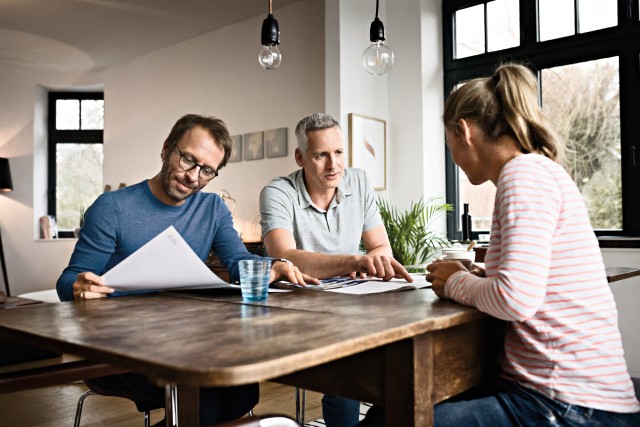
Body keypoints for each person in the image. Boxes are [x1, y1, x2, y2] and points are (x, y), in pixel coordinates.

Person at [360, 63, 640, 426]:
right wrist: (479, 274)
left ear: (463, 131)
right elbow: (526, 278)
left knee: (390, 421)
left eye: (449, 144)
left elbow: (516, 298)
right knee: (390, 406)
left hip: (567, 403)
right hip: (560, 391)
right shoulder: (537, 171)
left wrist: (455, 282)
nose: (454, 159)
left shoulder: (522, 176)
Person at [56, 113, 318, 427]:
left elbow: (237, 262)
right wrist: (78, 287)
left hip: (183, 342)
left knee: (243, 393)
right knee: (201, 402)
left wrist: (275, 266)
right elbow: (68, 279)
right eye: (188, 160)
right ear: (167, 148)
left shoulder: (212, 208)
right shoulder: (112, 207)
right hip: (117, 347)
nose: (193, 176)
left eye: (207, 170)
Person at [260, 112, 412, 427]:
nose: (333, 165)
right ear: (300, 157)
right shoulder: (277, 192)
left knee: (404, 364)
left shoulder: (357, 181)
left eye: (339, 152)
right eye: (321, 155)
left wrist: (374, 261)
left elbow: (381, 247)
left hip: (355, 305)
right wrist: (355, 261)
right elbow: (283, 255)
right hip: (300, 314)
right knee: (349, 372)